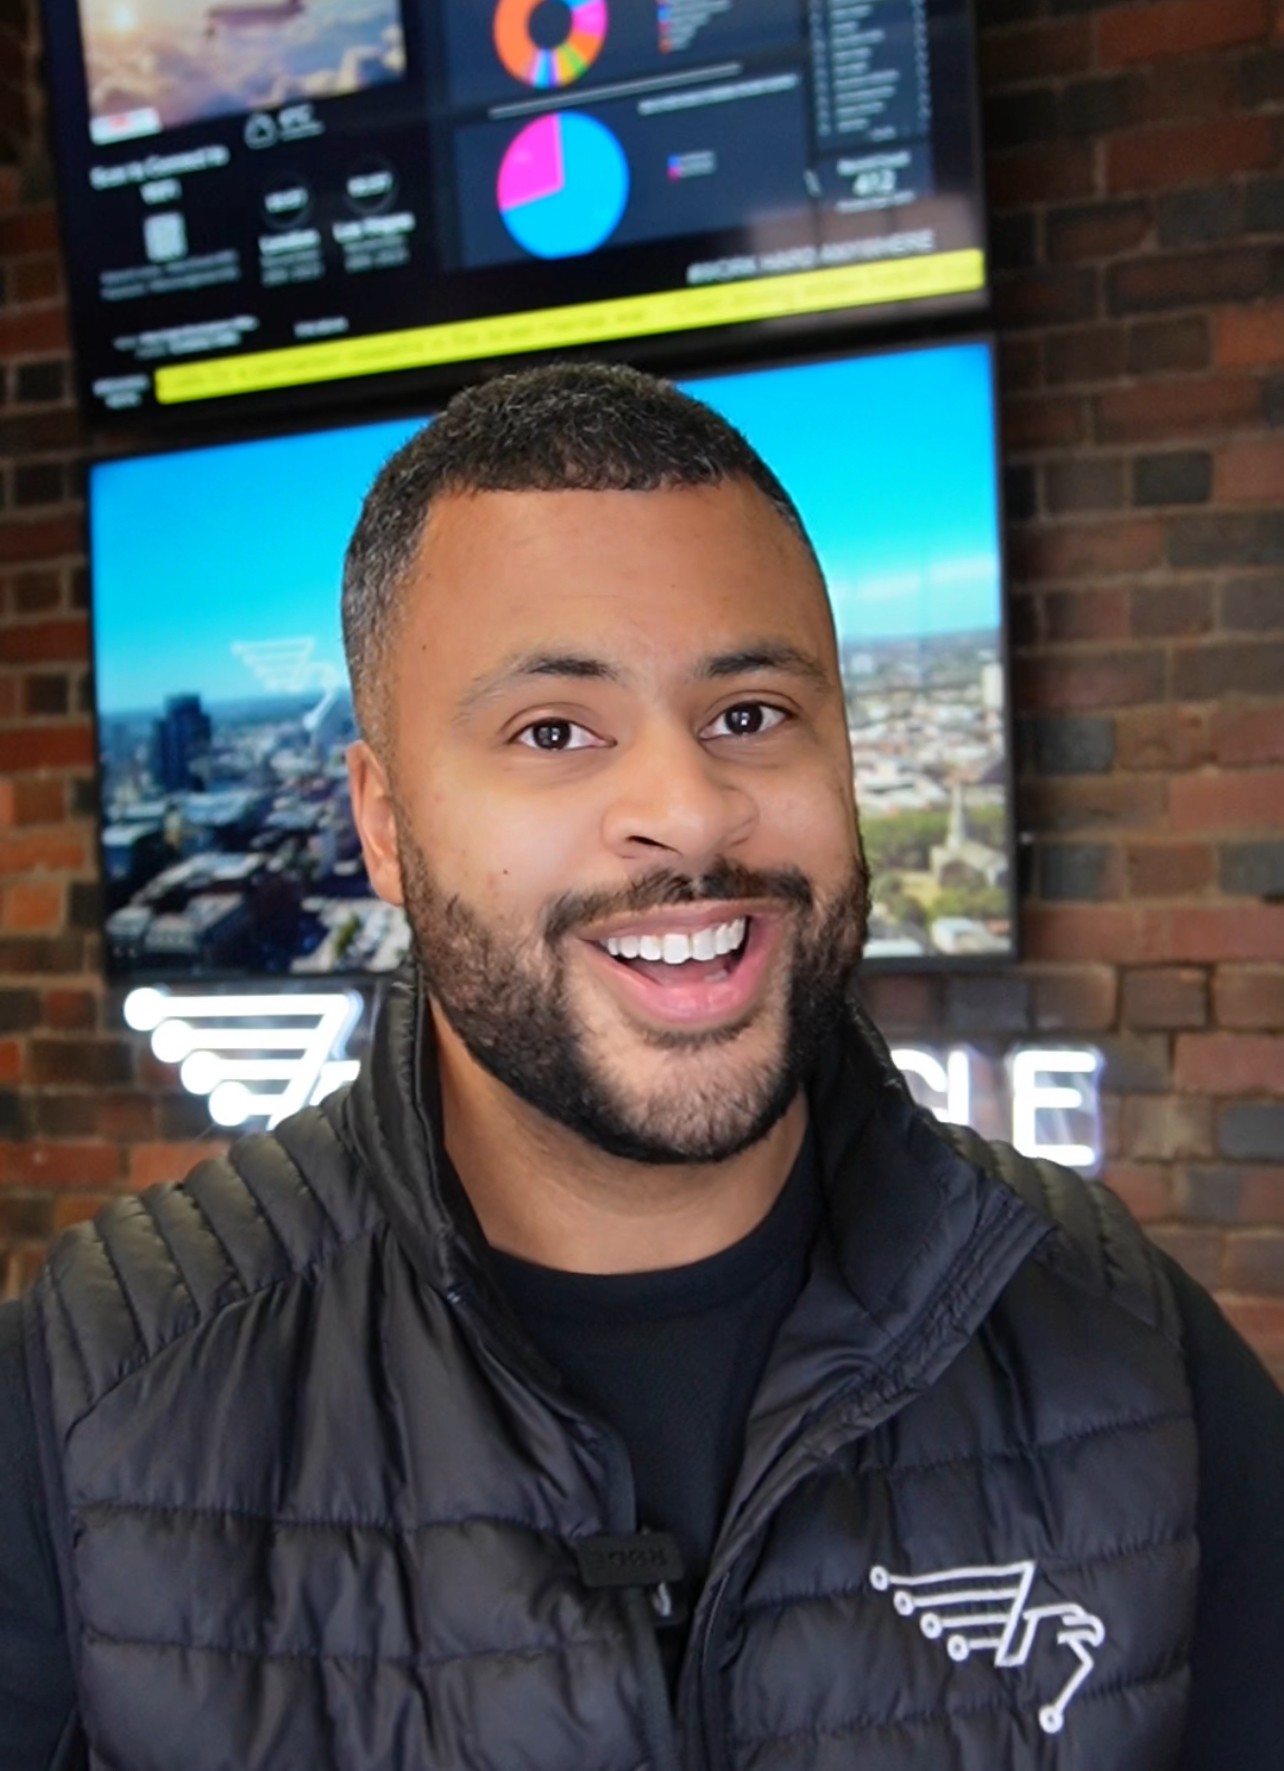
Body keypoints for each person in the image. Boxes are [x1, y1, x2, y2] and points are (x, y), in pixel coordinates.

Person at [1, 362, 1281, 1771]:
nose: (685, 810)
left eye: (750, 713)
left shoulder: (1127, 1344)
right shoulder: (85, 1409)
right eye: (555, 732)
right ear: (382, 824)